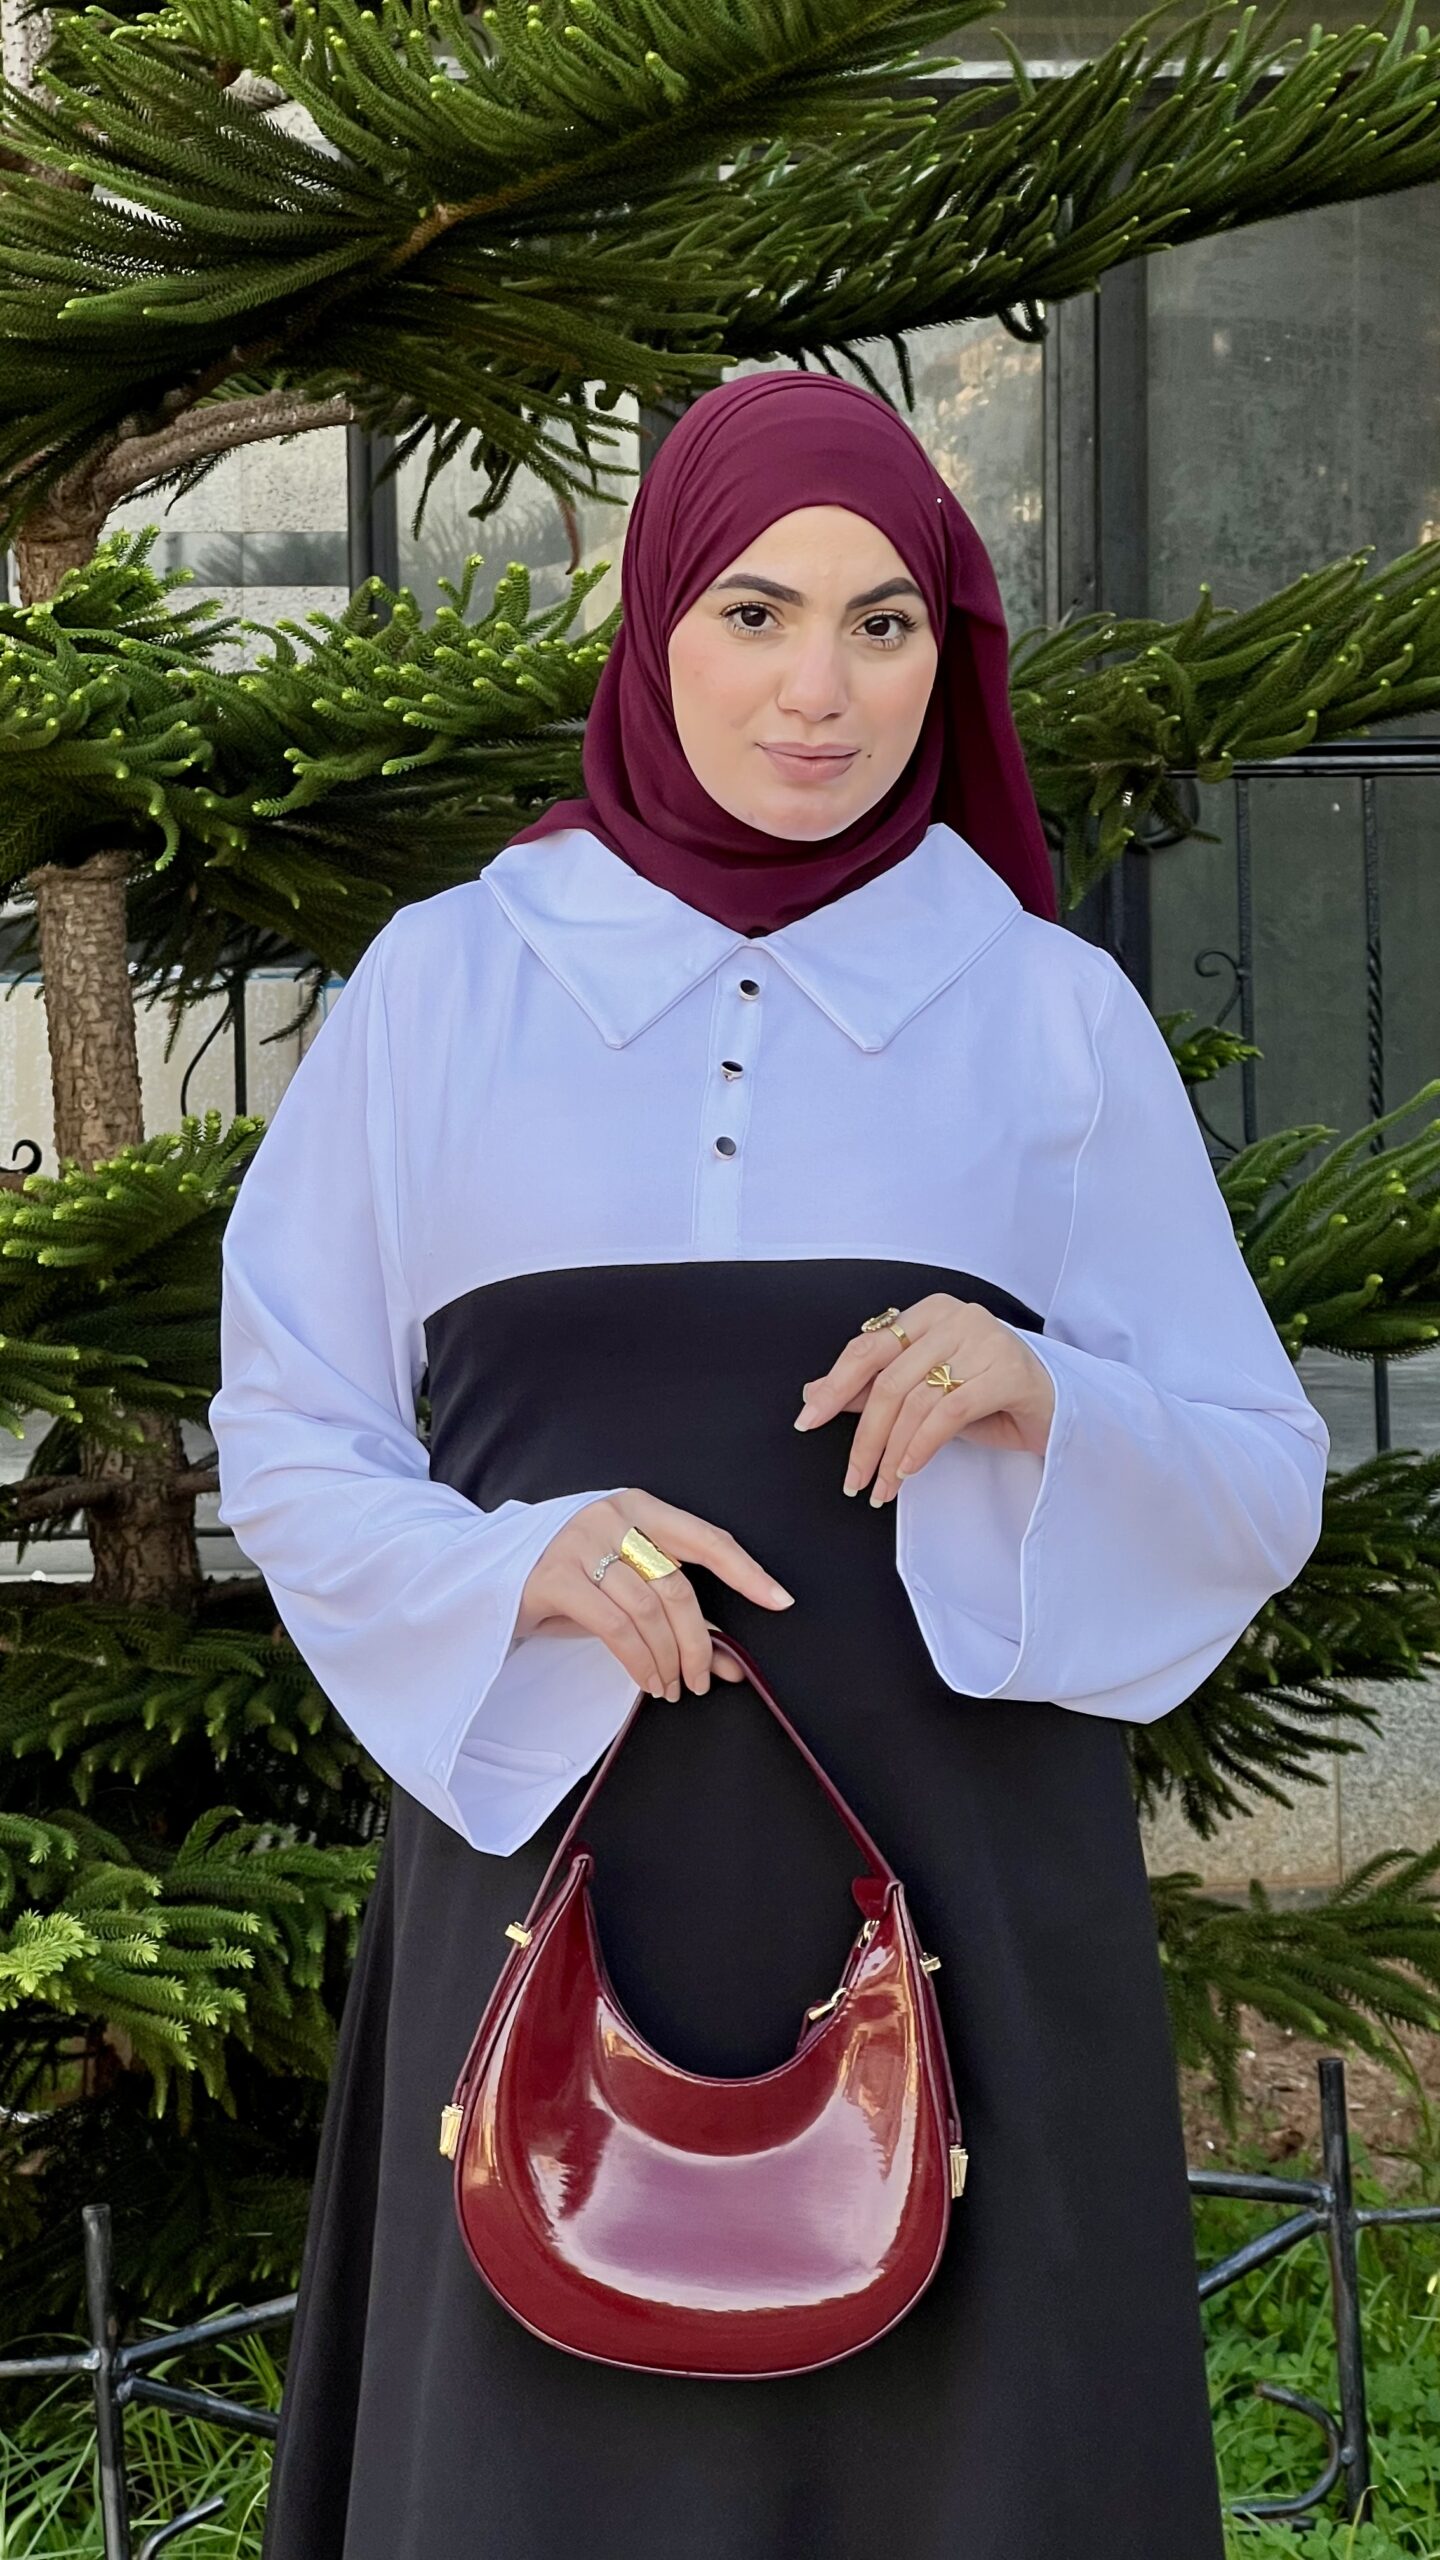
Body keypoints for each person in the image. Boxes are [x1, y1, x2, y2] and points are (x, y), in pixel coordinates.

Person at [210, 370, 1329, 2560]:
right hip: (565, 1860)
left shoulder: (1043, 1010)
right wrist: (514, 1563)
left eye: (883, 625)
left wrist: (1047, 1390)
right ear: (654, 625)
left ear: (944, 654)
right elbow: (289, 1424)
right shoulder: (449, 987)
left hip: (964, 1899)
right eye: (756, 612)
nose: (820, 691)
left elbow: (1257, 1469)